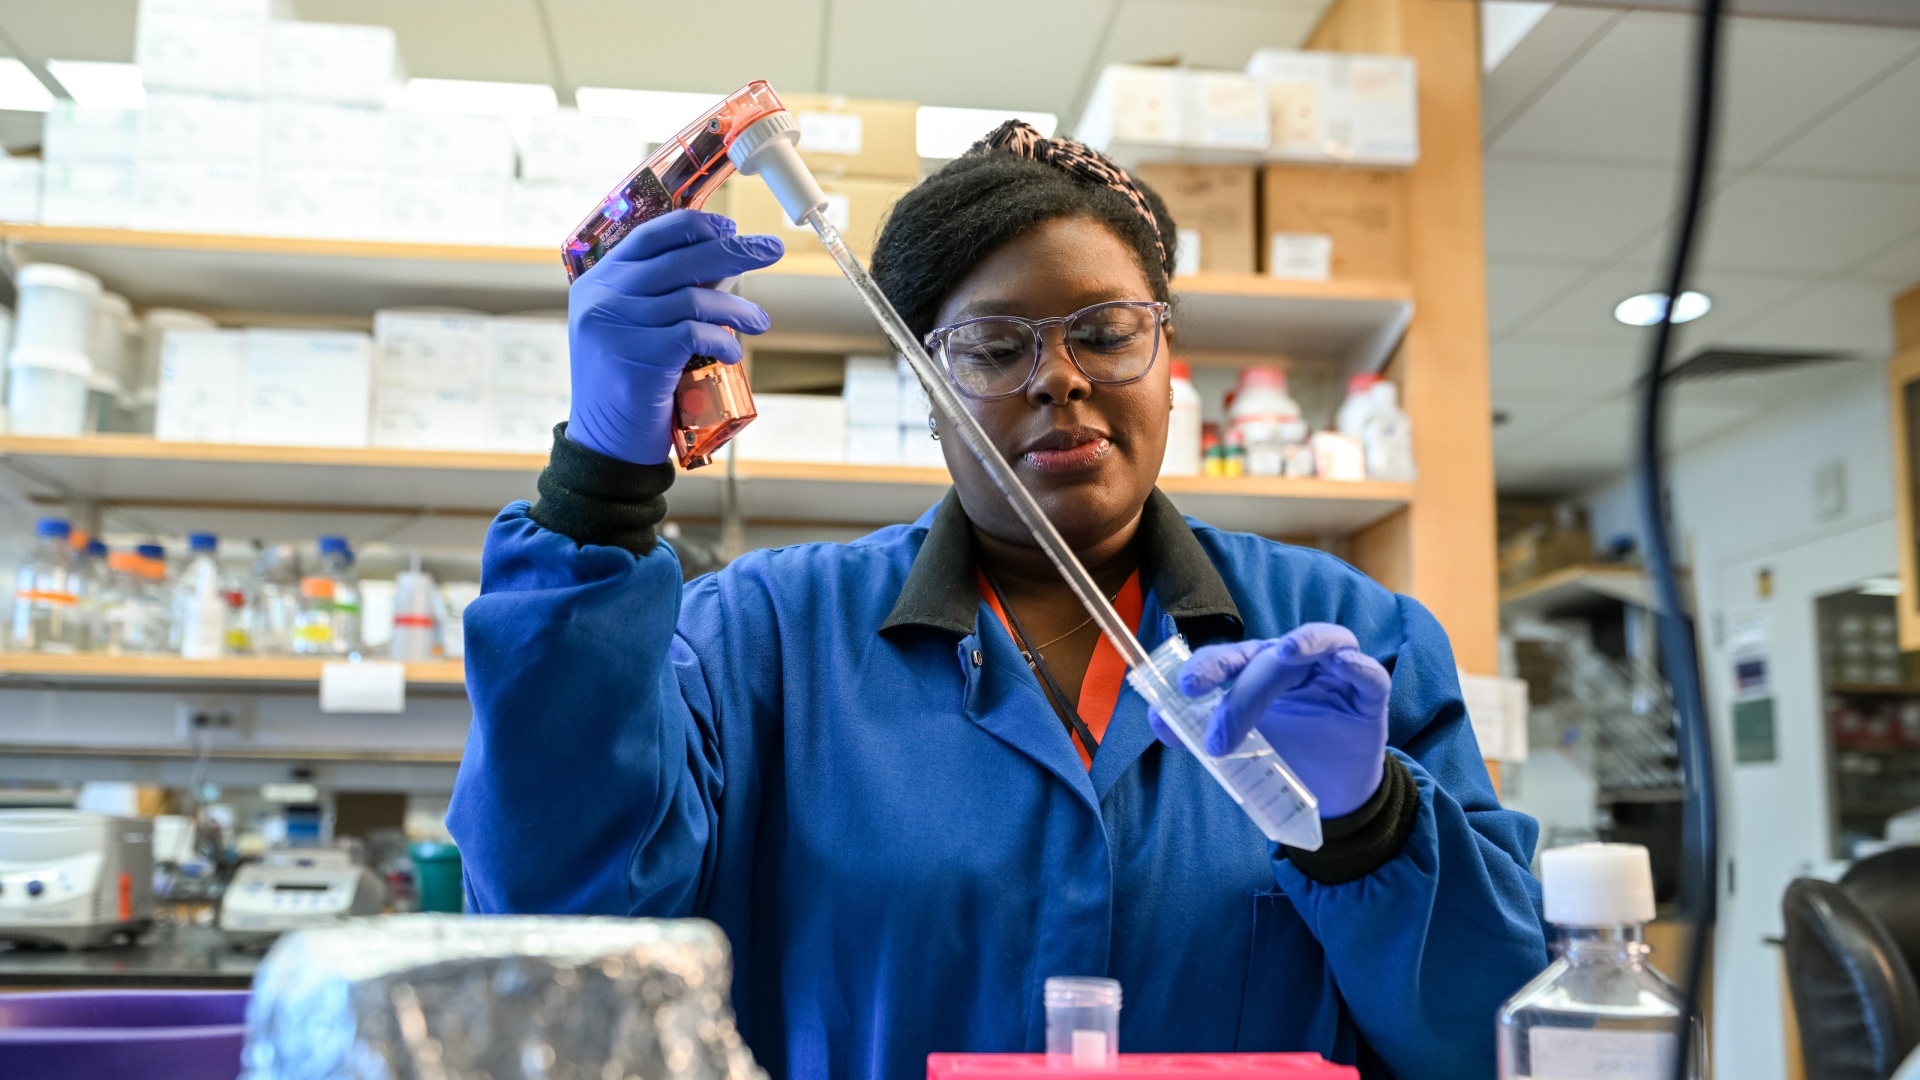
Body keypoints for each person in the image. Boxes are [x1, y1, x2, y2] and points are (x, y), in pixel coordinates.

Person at [449, 122, 1547, 1080]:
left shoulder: (1349, 638)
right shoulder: (767, 640)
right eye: (990, 346)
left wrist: (1369, 829)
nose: (1058, 377)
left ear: (1168, 355)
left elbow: (1492, 1044)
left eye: (1107, 331)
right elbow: (564, 923)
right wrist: (599, 482)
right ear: (929, 392)